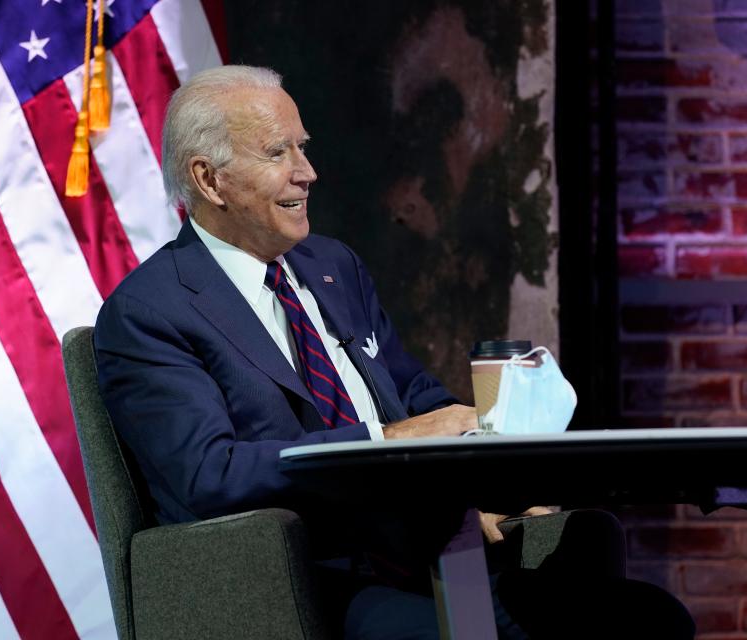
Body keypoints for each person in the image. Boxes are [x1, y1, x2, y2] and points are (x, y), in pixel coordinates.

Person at [94, 65, 693, 639]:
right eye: (279, 154)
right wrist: (388, 440)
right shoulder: (151, 311)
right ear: (208, 179)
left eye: (302, 148)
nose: (308, 172)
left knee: (650, 615)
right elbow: (209, 475)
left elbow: (413, 394)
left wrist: (497, 455)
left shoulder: (331, 266)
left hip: (437, 550)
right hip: (319, 579)